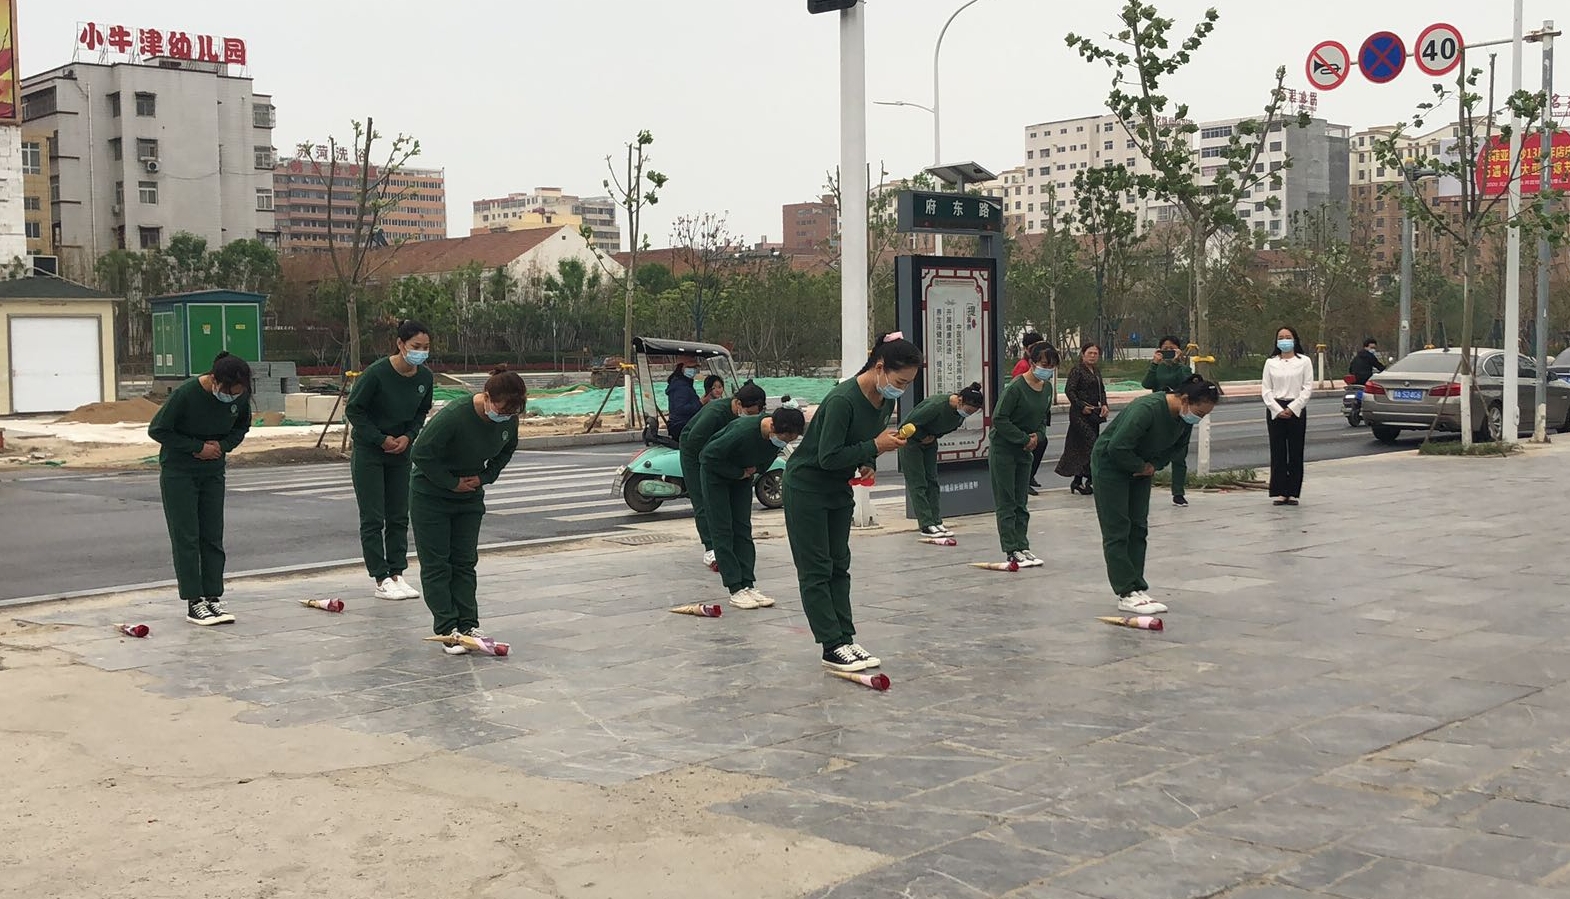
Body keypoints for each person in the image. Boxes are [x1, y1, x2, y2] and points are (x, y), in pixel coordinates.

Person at [785, 331, 919, 672]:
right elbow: (828, 456)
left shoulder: (884, 400)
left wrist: (868, 461)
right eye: (900, 382)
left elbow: (862, 442)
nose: (901, 390)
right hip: (807, 488)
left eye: (907, 384)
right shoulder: (842, 400)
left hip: (838, 488)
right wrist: (874, 447)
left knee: (838, 564)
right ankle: (831, 645)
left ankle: (845, 636)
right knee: (816, 569)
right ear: (880, 367)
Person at [410, 366, 524, 654]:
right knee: (437, 563)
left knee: (464, 561)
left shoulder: (509, 419)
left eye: (513, 412)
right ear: (486, 397)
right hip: (431, 495)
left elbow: (508, 448)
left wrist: (485, 476)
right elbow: (420, 453)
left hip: (470, 496)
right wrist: (450, 483)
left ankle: (468, 623)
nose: (506, 416)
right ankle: (447, 628)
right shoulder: (454, 416)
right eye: (502, 410)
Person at [1092, 375, 1222, 615]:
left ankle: (1137, 586)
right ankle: (1125, 591)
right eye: (1199, 412)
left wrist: (1152, 466)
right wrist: (1140, 466)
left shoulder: (1183, 420)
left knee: (1138, 527)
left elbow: (1177, 449)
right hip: (1112, 466)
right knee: (1117, 529)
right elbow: (1117, 446)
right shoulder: (1147, 409)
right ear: (1185, 399)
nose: (1199, 418)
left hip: (1143, 467)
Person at [147, 352, 253, 626]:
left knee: (212, 535)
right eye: (229, 391)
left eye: (238, 392)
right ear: (215, 380)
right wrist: (196, 447)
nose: (233, 397)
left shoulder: (239, 397)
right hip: (180, 472)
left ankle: (212, 595)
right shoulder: (186, 394)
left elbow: (242, 426)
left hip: (213, 472)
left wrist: (223, 446)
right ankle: (194, 601)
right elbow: (158, 429)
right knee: (187, 536)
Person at [346, 320, 434, 601]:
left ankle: (397, 572)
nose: (421, 352)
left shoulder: (425, 378)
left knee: (399, 515)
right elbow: (354, 410)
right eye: (416, 346)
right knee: (373, 517)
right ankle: (380, 577)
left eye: (426, 347)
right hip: (371, 451)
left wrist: (409, 436)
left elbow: (421, 412)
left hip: (401, 451)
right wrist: (379, 438)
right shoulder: (376, 374)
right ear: (400, 344)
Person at [701, 407, 808, 609]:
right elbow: (707, 456)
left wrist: (751, 472)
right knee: (723, 530)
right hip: (716, 477)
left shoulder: (777, 437)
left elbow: (764, 462)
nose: (785, 443)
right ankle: (735, 588)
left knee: (742, 528)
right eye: (784, 438)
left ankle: (747, 584)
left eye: (790, 440)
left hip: (743, 477)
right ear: (772, 426)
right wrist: (737, 472)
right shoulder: (742, 431)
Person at [679, 381, 768, 570]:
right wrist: (718, 467)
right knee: (704, 499)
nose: (751, 418)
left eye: (756, 414)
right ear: (738, 404)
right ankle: (711, 547)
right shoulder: (715, 413)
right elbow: (696, 442)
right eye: (749, 413)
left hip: (723, 455)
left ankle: (731, 544)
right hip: (696, 454)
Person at [990, 341, 1058, 569]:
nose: (1047, 370)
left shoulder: (1047, 389)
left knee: (1021, 501)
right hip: (1005, 449)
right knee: (1007, 501)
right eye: (1044, 365)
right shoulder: (1015, 388)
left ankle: (1022, 544)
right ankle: (1011, 549)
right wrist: (1023, 438)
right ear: (1032, 362)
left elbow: (1042, 418)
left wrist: (1038, 436)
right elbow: (1000, 419)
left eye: (1051, 366)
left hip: (1026, 450)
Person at [898, 382, 986, 538]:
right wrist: (921, 436)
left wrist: (932, 437)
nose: (968, 414)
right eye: (968, 411)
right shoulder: (936, 406)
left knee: (932, 481)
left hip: (930, 442)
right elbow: (906, 425)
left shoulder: (959, 414)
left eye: (972, 412)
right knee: (918, 483)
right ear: (960, 400)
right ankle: (926, 524)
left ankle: (936, 521)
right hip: (911, 443)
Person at [1263, 326, 1315, 507]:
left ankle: (1293, 492)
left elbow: (1307, 388)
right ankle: (1279, 491)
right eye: (1281, 337)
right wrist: (1277, 409)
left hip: (1296, 408)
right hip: (1275, 409)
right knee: (1277, 451)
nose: (1284, 340)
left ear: (1295, 339)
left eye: (1288, 337)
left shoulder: (1304, 361)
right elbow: (1266, 389)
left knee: (1295, 450)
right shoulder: (1270, 362)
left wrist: (1293, 408)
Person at [1142, 336, 1195, 507]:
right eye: (1164, 348)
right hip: (1160, 412)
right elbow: (1146, 383)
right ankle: (1142, 486)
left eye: (1172, 348)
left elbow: (1188, 383)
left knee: (1179, 454)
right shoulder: (1157, 367)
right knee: (1151, 451)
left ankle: (1178, 493)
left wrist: (1179, 362)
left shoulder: (1183, 368)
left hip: (1181, 412)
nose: (1168, 351)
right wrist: (1154, 364)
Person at [1057, 343, 1109, 495]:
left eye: (1095, 353)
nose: (1092, 356)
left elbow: (1102, 390)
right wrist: (1081, 406)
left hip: (1093, 413)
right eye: (1090, 353)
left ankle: (1078, 481)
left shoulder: (1096, 371)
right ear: (1083, 354)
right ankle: (1091, 478)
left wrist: (1104, 404)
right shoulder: (1077, 370)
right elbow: (1069, 390)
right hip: (1079, 414)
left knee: (1084, 448)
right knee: (1090, 444)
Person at [1012, 332, 1055, 493]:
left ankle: (1030, 476)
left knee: (1040, 442)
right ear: (1027, 349)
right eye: (1035, 346)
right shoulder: (1023, 366)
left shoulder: (1044, 376)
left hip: (1038, 412)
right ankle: (1025, 478)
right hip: (1025, 416)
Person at [666, 358, 702, 439]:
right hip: (682, 425)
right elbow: (681, 409)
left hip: (683, 423)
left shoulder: (685, 384)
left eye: (695, 368)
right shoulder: (680, 386)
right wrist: (700, 403)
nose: (693, 370)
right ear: (681, 367)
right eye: (690, 367)